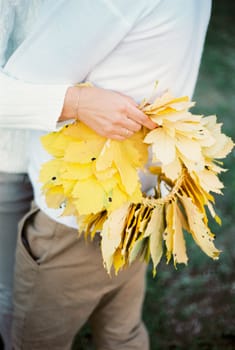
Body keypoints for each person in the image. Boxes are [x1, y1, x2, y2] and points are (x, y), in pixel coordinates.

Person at [0, 1, 212, 349]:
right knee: (122, 334)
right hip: (145, 198)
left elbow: (17, 85)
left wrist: (76, 103)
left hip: (77, 215)